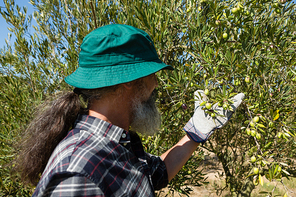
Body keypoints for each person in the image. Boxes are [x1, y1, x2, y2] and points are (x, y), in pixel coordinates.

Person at [17, 24, 244, 197]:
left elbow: (156, 173)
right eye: (152, 74)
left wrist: (197, 132)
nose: (156, 83)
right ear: (128, 80)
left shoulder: (116, 142)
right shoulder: (78, 172)